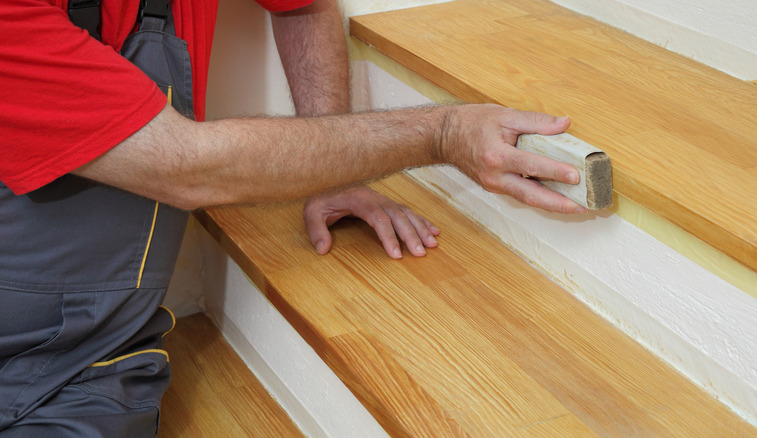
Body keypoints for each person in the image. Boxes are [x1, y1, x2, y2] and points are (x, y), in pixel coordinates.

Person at [0, 0, 585, 436]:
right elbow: (186, 167)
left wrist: (335, 175)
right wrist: (443, 132)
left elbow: (302, 5)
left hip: (93, 365)